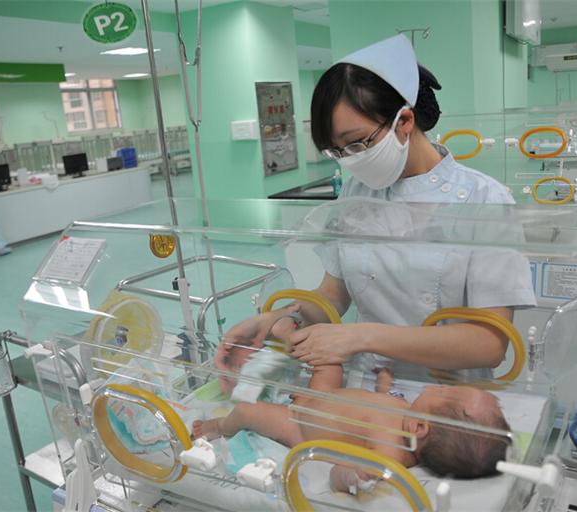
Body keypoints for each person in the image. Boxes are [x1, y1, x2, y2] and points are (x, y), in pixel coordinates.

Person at [216, 35, 535, 386]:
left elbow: (488, 344)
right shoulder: (357, 192)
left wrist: (361, 336)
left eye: (356, 144)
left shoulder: (483, 198)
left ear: (404, 121)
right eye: (337, 151)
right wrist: (280, 319)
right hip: (368, 384)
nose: (350, 160)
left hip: (450, 392)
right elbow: (332, 295)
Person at [193, 365, 510, 486]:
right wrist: (385, 386)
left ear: (420, 429)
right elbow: (383, 402)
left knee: (247, 411)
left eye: (445, 393)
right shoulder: (408, 414)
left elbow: (342, 475)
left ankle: (217, 425)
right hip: (323, 395)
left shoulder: (391, 452)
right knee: (330, 361)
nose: (441, 385)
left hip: (299, 424)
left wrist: (352, 477)